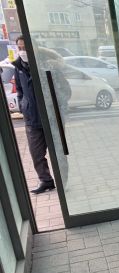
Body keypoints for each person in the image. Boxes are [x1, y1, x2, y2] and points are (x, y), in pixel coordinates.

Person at [13, 35, 55, 194]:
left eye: (25, 48)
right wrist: (23, 106)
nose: (22, 51)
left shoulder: (46, 64)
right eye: (20, 48)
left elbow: (63, 89)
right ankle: (46, 181)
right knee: (36, 154)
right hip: (32, 119)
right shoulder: (18, 66)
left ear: (34, 48)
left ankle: (64, 181)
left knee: (58, 153)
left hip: (50, 118)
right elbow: (20, 90)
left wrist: (59, 108)